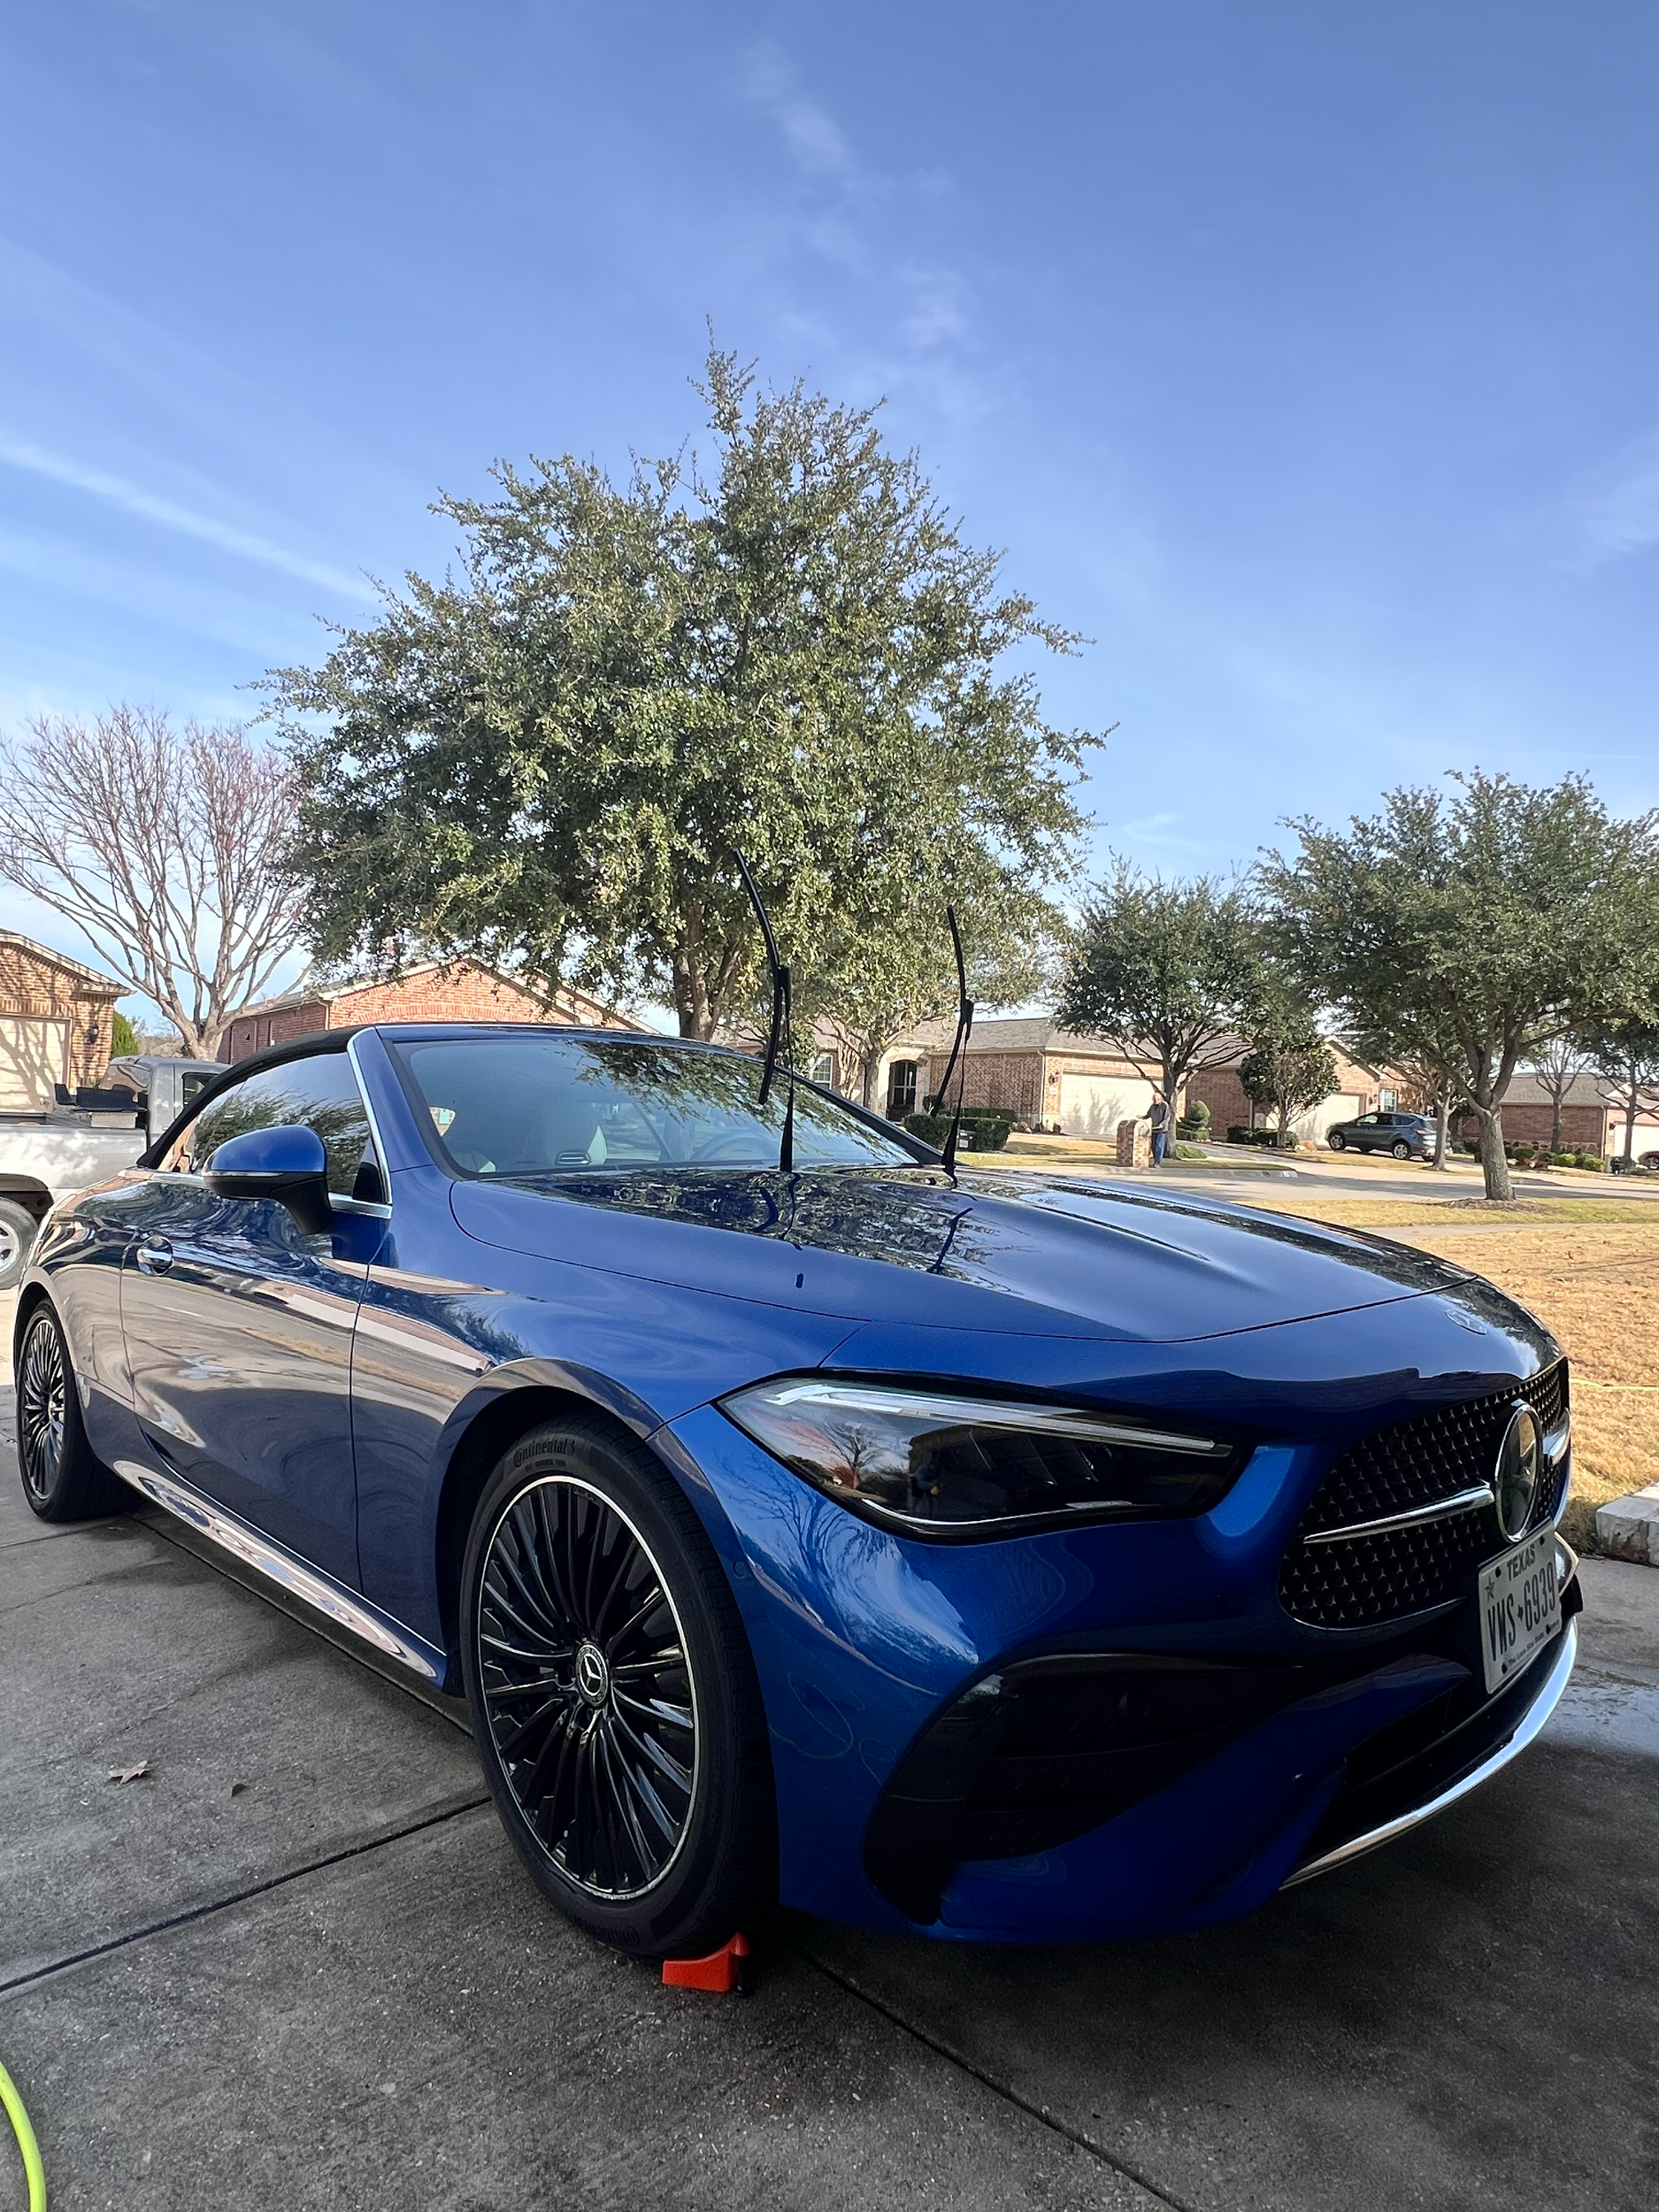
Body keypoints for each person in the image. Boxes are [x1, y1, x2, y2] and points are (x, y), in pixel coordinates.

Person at [1149, 1094, 1171, 1165]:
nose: (1155, 1101)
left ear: (1160, 1099)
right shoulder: (1152, 1106)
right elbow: (1149, 1114)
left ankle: (1157, 1163)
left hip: (1162, 1130)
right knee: (1153, 1146)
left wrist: (1162, 1124)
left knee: (1159, 1146)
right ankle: (1155, 1161)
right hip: (1154, 1129)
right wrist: (1143, 1117)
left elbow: (1167, 1117)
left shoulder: (1164, 1105)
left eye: (1156, 1099)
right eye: (1154, 1100)